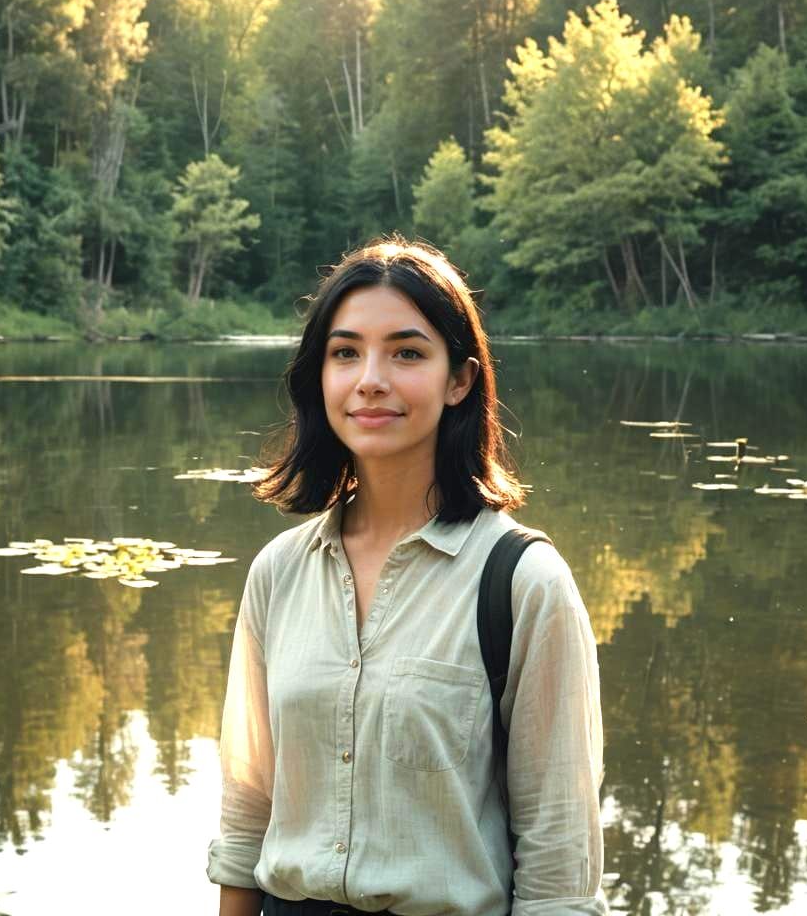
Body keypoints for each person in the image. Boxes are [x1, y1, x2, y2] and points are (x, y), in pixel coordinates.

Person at [207, 237, 607, 916]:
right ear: (320, 376)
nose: (371, 378)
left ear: (460, 380)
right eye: (345, 352)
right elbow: (249, 811)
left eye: (407, 352)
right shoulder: (279, 573)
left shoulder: (523, 583)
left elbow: (559, 864)